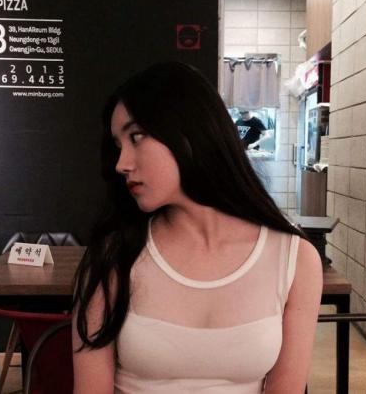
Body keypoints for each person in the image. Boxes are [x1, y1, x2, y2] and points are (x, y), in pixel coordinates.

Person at [72, 62, 322, 394]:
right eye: (119, 146)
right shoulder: (113, 256)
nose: (122, 164)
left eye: (136, 137)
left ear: (190, 131)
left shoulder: (295, 259)